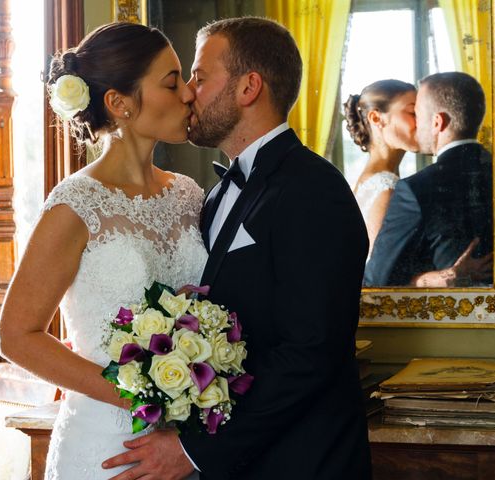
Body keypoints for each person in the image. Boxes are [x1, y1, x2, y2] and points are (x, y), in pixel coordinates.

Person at [102, 16, 372, 480]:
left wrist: (194, 452)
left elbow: (312, 351)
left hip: (301, 463)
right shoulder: (212, 194)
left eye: (200, 78)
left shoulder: (313, 189)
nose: (188, 92)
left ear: (249, 88)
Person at [0, 22, 204, 479]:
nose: (188, 94)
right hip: (107, 448)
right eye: (172, 83)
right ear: (120, 103)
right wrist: (140, 395)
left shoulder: (189, 195)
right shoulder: (76, 204)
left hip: (186, 448)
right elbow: (15, 335)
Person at [364, 71, 493, 287]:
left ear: (437, 123)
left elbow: (376, 282)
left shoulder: (416, 189)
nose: (415, 124)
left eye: (417, 113)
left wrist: (435, 279)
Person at [344, 79, 417, 256]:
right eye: (413, 112)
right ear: (376, 118)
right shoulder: (387, 189)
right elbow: (377, 273)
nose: (422, 121)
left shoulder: (372, 181)